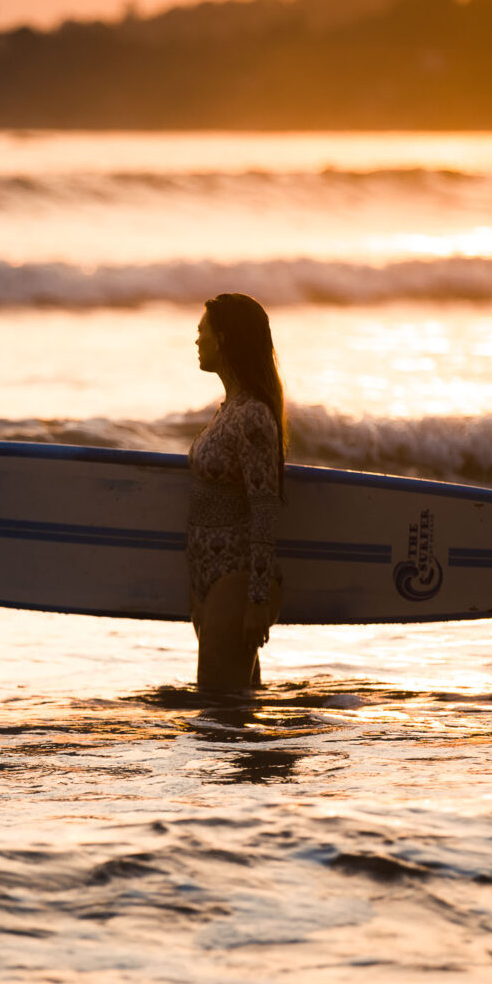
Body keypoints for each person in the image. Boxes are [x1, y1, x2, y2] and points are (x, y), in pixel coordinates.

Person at [188, 292, 286, 693]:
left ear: (223, 339)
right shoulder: (228, 409)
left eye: (201, 332)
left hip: (235, 578)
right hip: (208, 577)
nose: (196, 341)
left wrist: (258, 599)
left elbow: (264, 508)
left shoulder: (253, 418)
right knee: (237, 706)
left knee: (219, 707)